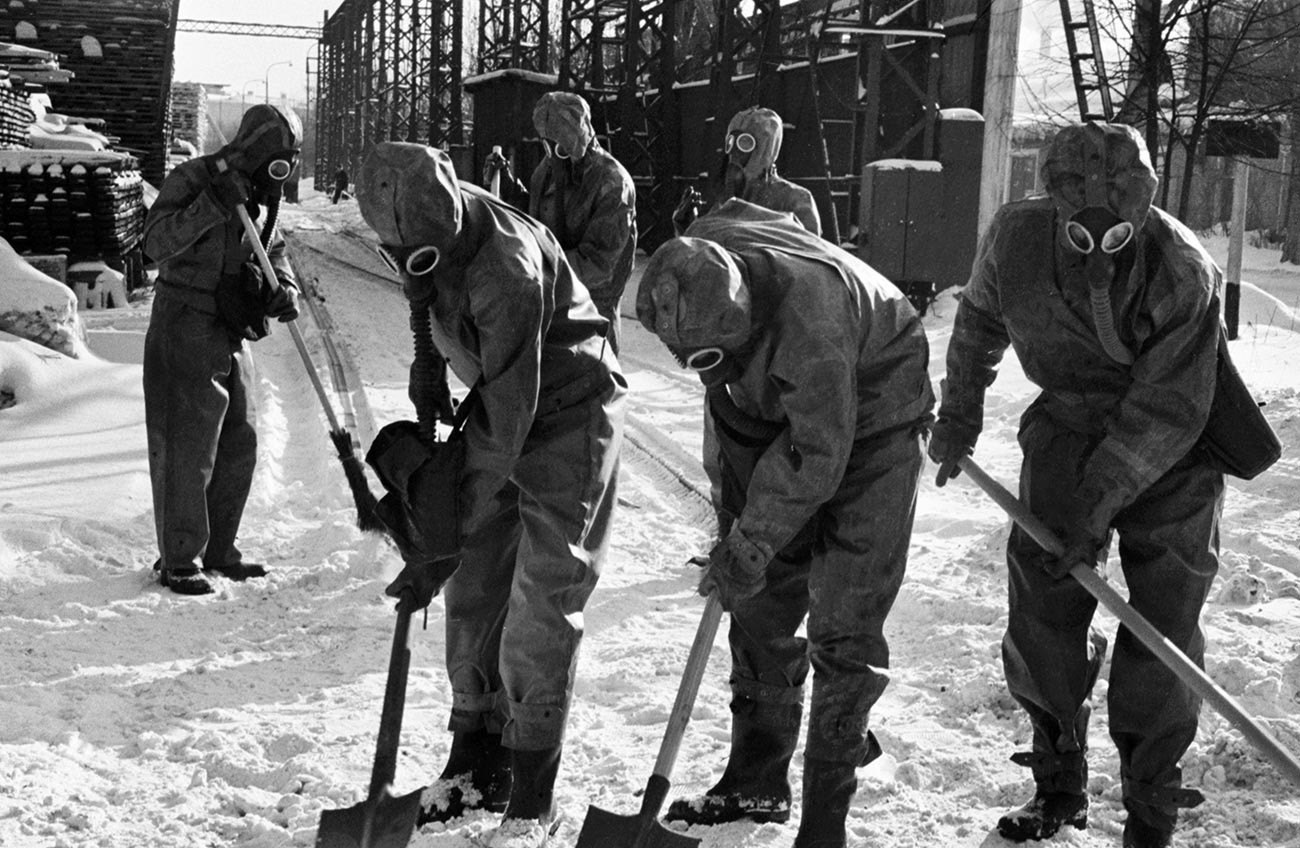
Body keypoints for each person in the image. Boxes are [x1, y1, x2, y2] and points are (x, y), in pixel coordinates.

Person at [928, 122, 1224, 848]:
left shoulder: (1181, 268)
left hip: (1173, 448)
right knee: (1042, 603)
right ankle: (1057, 781)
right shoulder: (1017, 239)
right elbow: (978, 321)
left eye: (1121, 213)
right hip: (1066, 425)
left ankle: (1150, 807)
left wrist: (1099, 504)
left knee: (1164, 625)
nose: (1098, 228)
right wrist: (958, 414)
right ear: (1053, 199)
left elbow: (1167, 407)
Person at [635, 198, 934, 848]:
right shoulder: (699, 257)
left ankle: (826, 817)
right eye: (690, 360)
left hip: (879, 400)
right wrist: (740, 541)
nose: (696, 374)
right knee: (760, 596)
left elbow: (816, 451)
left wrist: (750, 542)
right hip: (777, 388)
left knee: (846, 616)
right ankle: (755, 781)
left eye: (709, 359)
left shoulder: (811, 331)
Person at [356, 141, 626, 848]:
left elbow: (509, 421)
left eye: (419, 256)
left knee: (542, 595)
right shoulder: (423, 222)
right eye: (399, 257)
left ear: (447, 226)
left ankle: (532, 789)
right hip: (500, 396)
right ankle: (477, 754)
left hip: (570, 410)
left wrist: (438, 529)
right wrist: (426, 363)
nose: (410, 268)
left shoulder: (506, 265)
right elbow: (429, 299)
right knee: (473, 582)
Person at [142, 104, 303, 596]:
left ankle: (219, 551)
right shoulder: (193, 178)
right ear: (253, 146)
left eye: (289, 160)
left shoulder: (260, 191)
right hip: (185, 321)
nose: (282, 169)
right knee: (188, 446)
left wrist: (286, 287)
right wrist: (210, 204)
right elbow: (154, 243)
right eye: (277, 157)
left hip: (231, 326)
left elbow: (271, 247)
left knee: (240, 443)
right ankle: (179, 557)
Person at [528, 91, 637, 355]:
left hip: (594, 311)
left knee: (594, 386)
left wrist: (539, 270)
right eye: (547, 142)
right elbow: (540, 218)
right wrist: (506, 190)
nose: (553, 152)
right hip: (555, 303)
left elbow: (599, 264)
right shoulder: (547, 171)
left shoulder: (612, 182)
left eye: (560, 144)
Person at [672, 105, 821, 238]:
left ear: (765, 149)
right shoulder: (726, 202)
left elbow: (808, 257)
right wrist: (689, 228)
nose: (734, 153)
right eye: (730, 143)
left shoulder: (795, 199)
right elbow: (712, 257)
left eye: (744, 143)